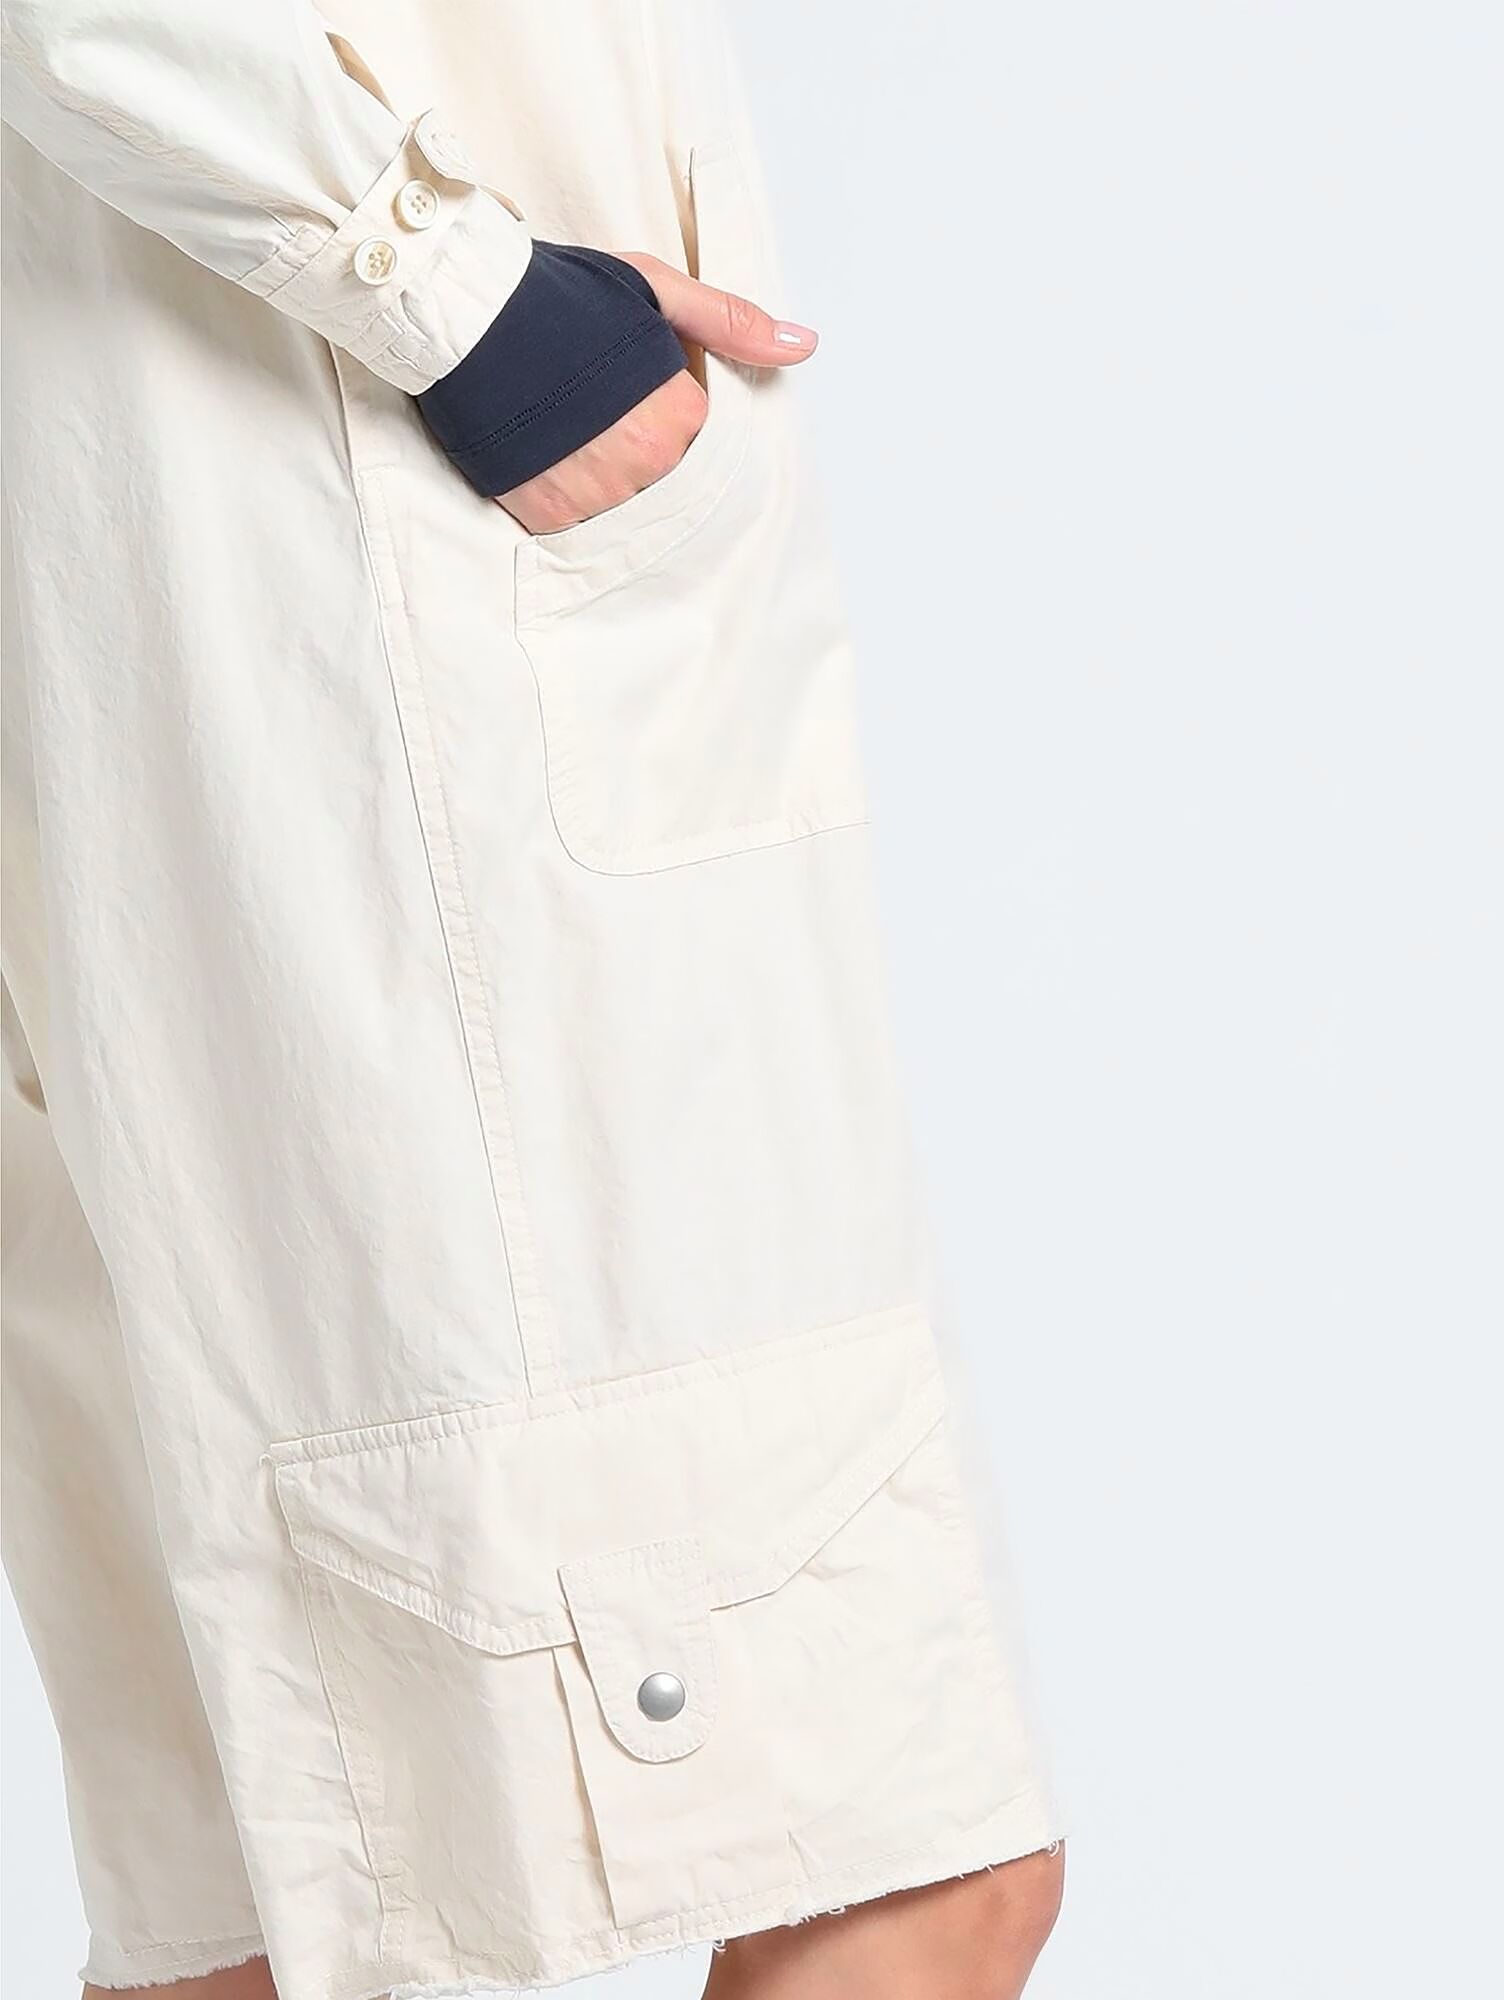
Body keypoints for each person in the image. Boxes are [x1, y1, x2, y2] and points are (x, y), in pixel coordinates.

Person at [0, 3, 1066, 1995]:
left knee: (262, 1913)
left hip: (206, 533)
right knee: (899, 1860)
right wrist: (466, 305)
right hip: (355, 568)